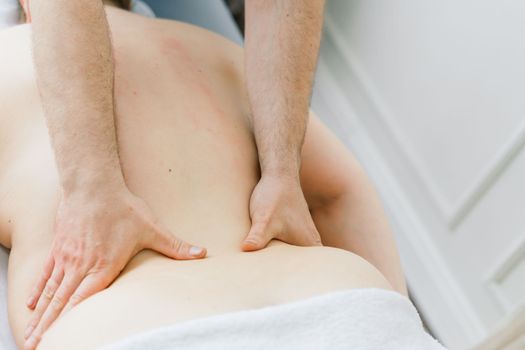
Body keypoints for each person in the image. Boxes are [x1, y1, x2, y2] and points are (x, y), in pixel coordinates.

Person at [0, 2, 408, 349]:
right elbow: (338, 195)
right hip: (344, 306)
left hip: (138, 328)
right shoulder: (225, 56)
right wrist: (396, 316)